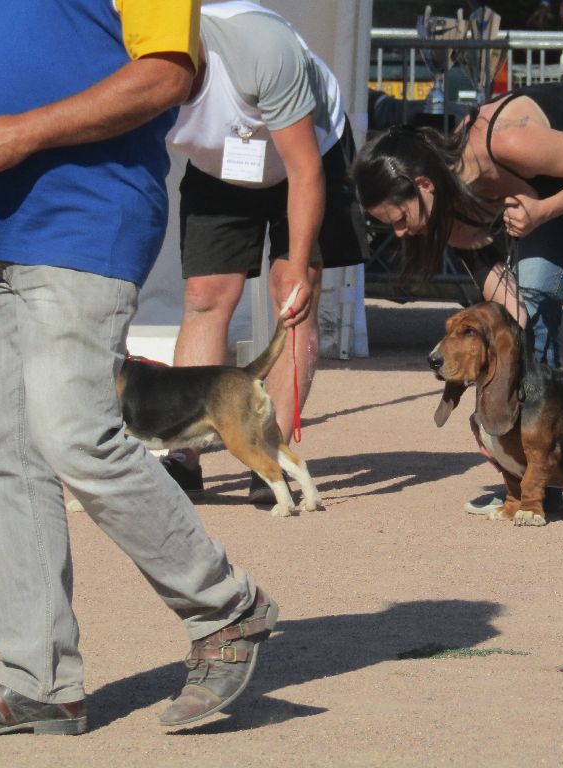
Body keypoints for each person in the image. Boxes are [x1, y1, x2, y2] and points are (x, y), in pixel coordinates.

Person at [0, 0, 276, 736]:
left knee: (75, 432)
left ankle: (226, 608)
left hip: (87, 211)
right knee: (1, 458)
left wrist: (21, 133)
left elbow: (165, 75)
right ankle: (37, 682)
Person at [353, 81, 563, 520]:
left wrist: (543, 212)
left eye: (399, 219)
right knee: (533, 310)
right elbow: (514, 313)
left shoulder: (505, 137)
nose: (399, 234)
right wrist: (511, 332)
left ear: (424, 184)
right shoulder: (448, 211)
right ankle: (536, 482)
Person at [162, 1, 366, 504]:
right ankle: (183, 457)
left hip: (308, 154)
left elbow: (303, 172)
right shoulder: (125, 68)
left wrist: (298, 263)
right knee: (206, 293)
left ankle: (268, 449)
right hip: (221, 163)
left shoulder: (262, 51)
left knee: (293, 296)